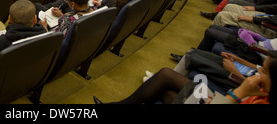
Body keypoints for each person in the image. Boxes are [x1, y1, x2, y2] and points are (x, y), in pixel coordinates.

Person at [93, 51, 277, 105]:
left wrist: (239, 93)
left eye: (265, 72)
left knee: (164, 86)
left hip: (225, 100)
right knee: (164, 79)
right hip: (220, 100)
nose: (259, 73)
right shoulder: (263, 93)